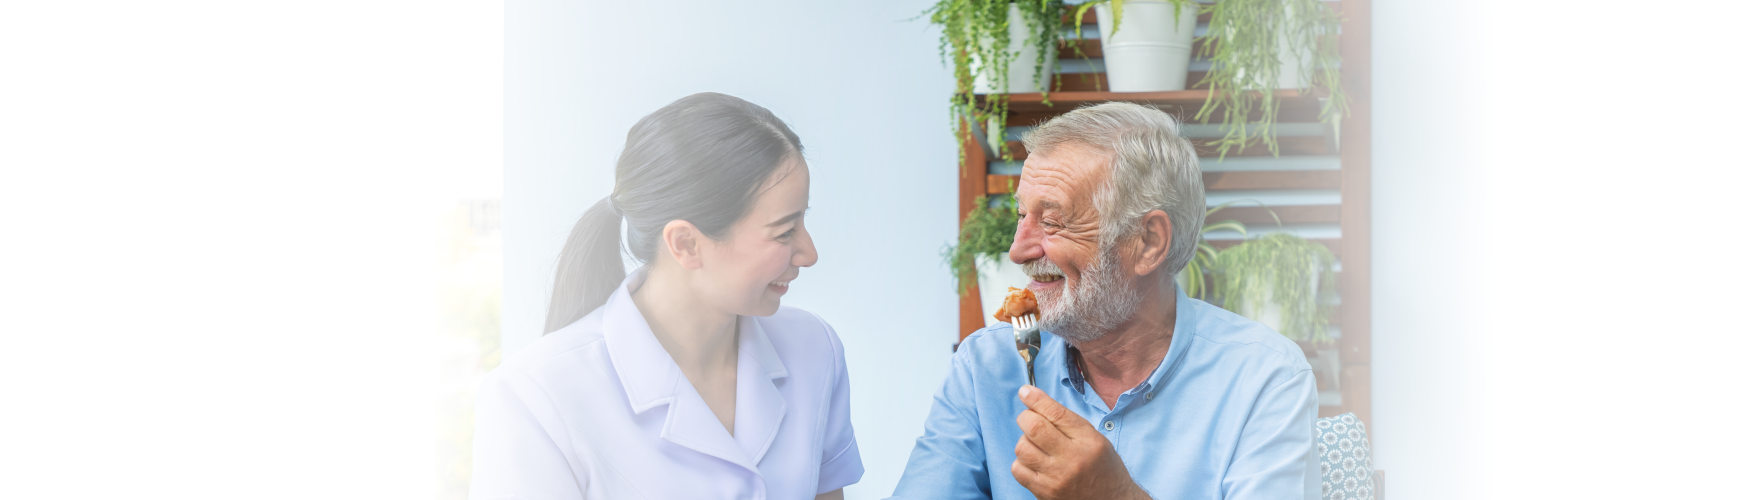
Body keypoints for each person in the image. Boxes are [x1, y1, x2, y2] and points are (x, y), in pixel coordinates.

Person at [890, 102, 1320, 500]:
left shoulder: (1266, 379)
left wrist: (1116, 495)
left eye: (1053, 221)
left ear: (1148, 242)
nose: (1018, 251)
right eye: (1022, 215)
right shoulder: (986, 365)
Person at [470, 93, 861, 500]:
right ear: (686, 244)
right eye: (784, 232)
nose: (809, 254)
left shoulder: (815, 350)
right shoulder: (534, 399)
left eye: (803, 222)